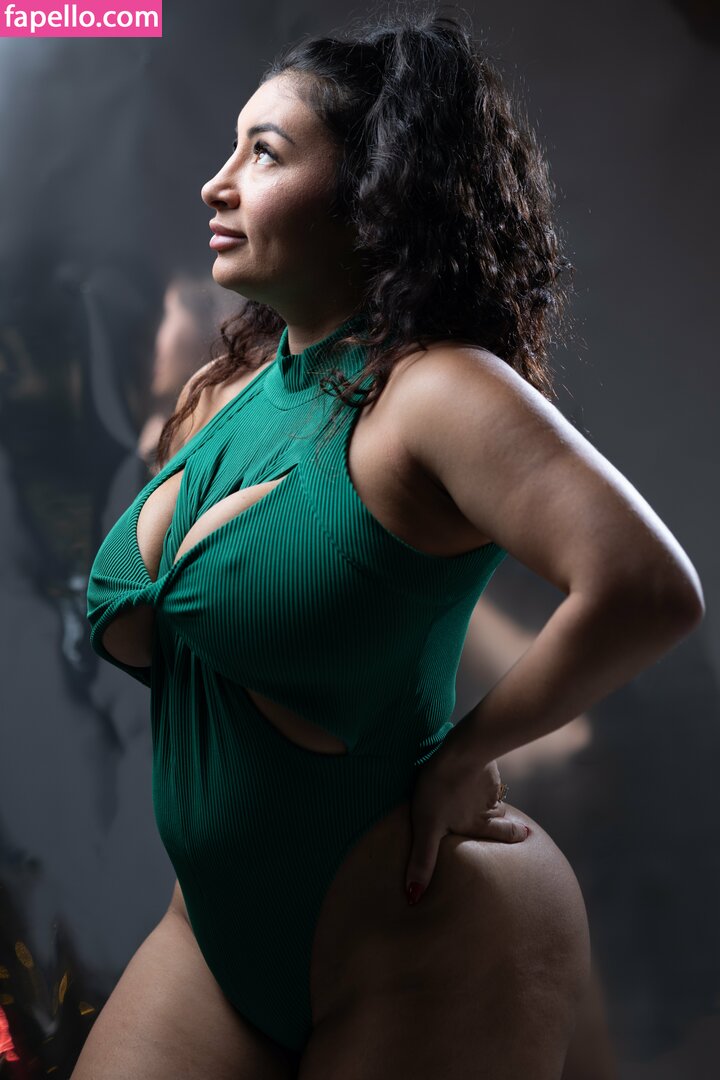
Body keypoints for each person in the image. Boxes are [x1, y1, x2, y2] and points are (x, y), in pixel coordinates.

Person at [78, 6, 704, 1078]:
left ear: (372, 191)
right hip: (213, 937)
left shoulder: (435, 393)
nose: (215, 184)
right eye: (230, 149)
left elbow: (648, 586)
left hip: (422, 934)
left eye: (264, 153)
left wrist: (466, 754)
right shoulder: (220, 392)